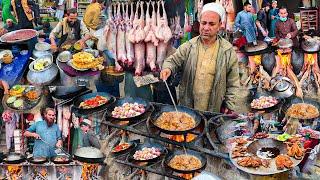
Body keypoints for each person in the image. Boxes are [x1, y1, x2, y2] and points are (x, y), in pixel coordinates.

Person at [160, 2, 240, 113]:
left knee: (210, 129)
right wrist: (168, 68)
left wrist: (229, 105)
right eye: (204, 23)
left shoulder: (227, 50)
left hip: (214, 107)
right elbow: (173, 60)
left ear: (220, 25)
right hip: (189, 107)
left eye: (211, 24)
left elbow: (233, 82)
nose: (206, 28)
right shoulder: (189, 46)